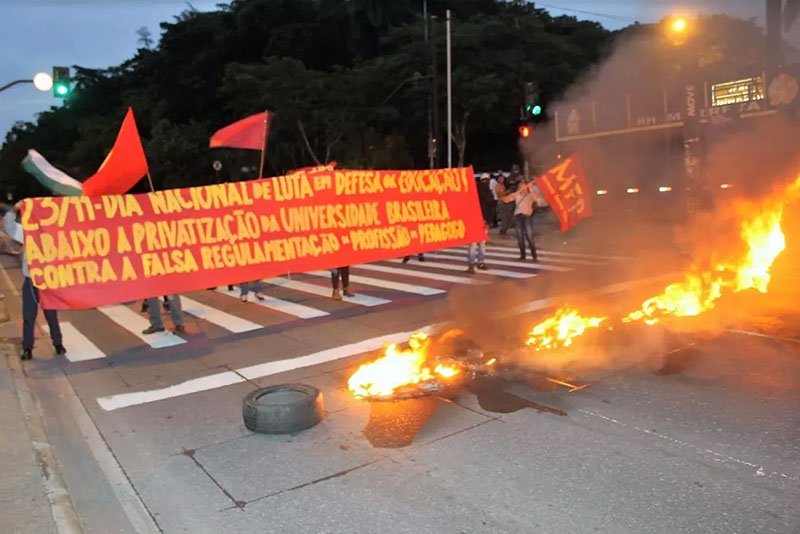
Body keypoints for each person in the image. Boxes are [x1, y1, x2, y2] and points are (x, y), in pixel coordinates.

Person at [3, 206, 65, 360]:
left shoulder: (54, 233)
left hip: (47, 281)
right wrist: (14, 209)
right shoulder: (27, 232)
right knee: (28, 316)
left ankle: (58, 344)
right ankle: (27, 348)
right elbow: (9, 226)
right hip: (31, 282)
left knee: (51, 316)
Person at [502, 176, 539, 262]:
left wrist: (530, 188)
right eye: (520, 186)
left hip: (527, 216)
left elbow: (535, 199)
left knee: (530, 236)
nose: (521, 187)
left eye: (523, 185)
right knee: (520, 237)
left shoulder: (529, 195)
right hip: (518, 216)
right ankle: (522, 255)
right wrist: (510, 195)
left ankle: (534, 256)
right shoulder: (517, 195)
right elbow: (505, 200)